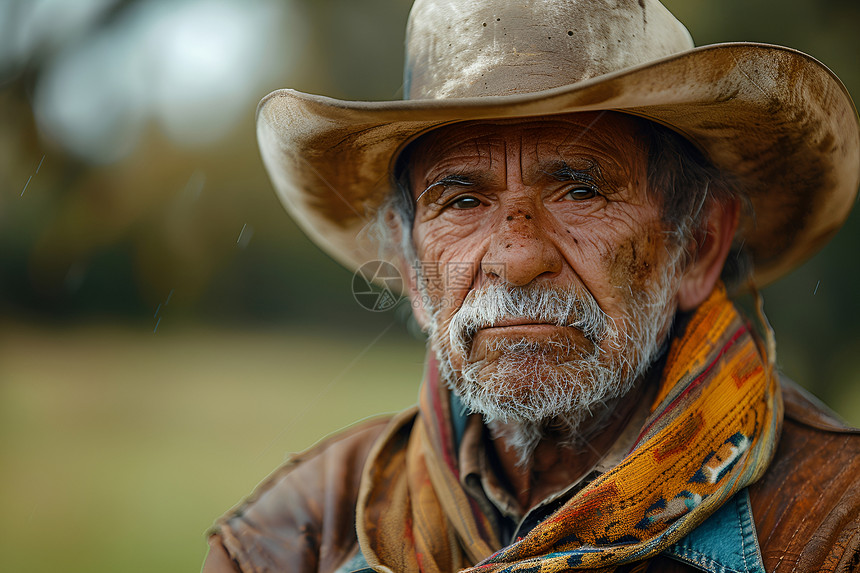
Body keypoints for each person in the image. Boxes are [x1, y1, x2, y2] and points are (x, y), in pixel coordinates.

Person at [202, 1, 860, 571]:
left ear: (698, 246)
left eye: (581, 190)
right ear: (410, 269)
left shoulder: (836, 525)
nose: (516, 258)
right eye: (461, 201)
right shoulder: (290, 541)